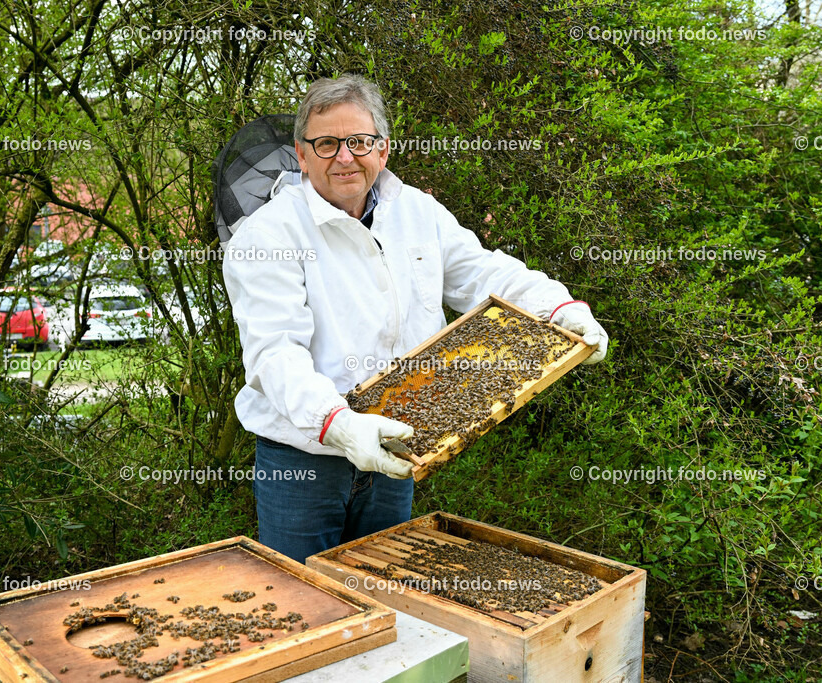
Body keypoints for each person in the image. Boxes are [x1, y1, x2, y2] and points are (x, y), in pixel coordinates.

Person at [222, 74, 608, 563]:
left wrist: (559, 308)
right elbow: (275, 352)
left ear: (382, 150)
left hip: (397, 446)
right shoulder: (268, 235)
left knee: (387, 597)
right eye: (326, 144)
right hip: (303, 462)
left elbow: (483, 272)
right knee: (308, 608)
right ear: (301, 154)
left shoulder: (419, 214)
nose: (345, 157)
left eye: (359, 142)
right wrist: (338, 424)